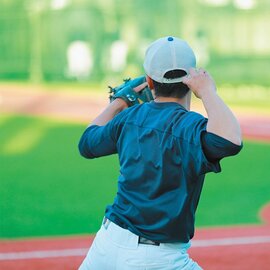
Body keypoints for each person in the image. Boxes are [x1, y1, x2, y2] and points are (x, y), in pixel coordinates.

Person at [77, 36, 243, 269]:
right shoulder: (190, 126)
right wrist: (208, 92)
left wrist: (120, 101)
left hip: (105, 247)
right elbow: (230, 141)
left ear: (149, 82)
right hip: (156, 259)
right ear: (190, 80)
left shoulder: (128, 117)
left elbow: (87, 143)